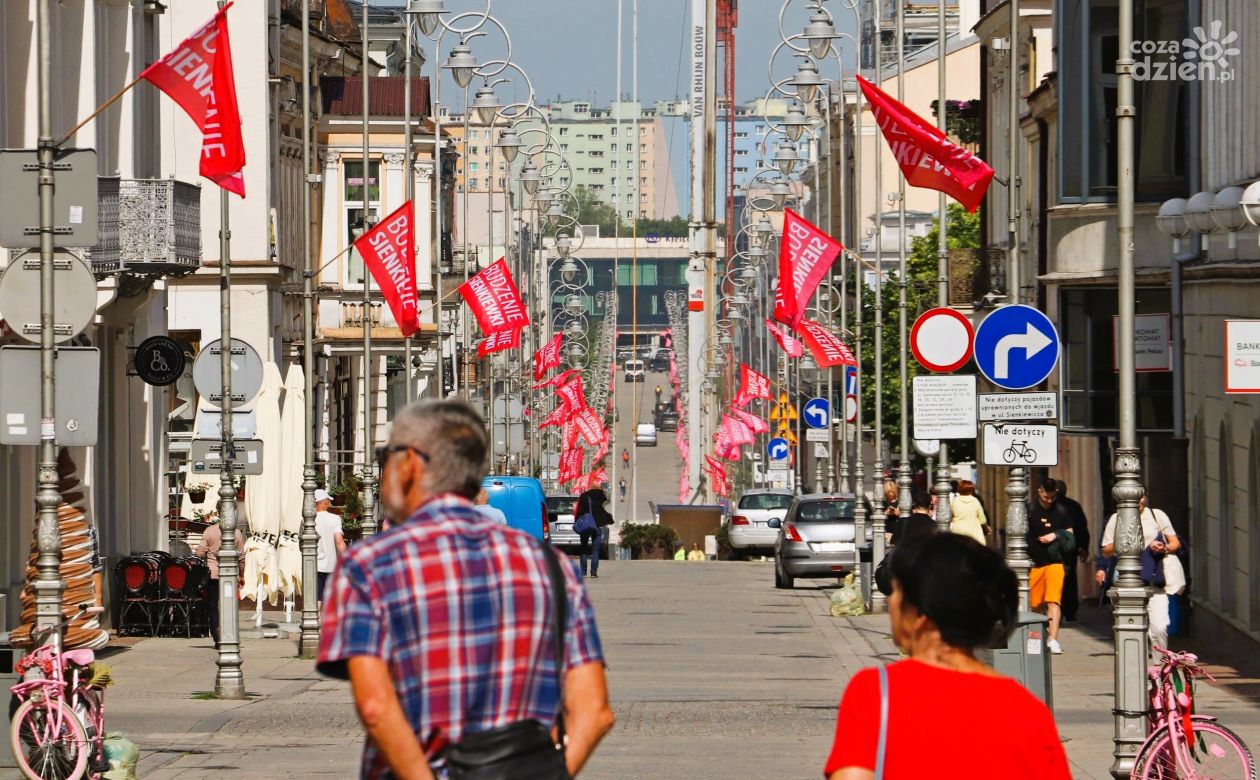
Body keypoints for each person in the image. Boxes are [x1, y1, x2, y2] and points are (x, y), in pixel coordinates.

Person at [318, 400, 614, 778]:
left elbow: (376, 706)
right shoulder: (553, 568)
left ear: (409, 462)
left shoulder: (371, 565)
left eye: (384, 456)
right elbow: (595, 711)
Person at [824, 533, 1070, 779]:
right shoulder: (1028, 712)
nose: (891, 605)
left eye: (896, 593)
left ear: (921, 613)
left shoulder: (876, 692)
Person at [1099, 493, 1185, 649]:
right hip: (1127, 582)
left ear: (1144, 498)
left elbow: (1175, 543)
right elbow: (1106, 550)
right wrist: (1123, 541)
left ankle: (1159, 669)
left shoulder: (1157, 515)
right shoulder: (1115, 518)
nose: (1138, 500)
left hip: (1154, 579)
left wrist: (1162, 547)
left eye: (1140, 496)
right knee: (1132, 629)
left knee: (1159, 627)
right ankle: (1136, 668)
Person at [1026, 478, 1074, 654]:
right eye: (1046, 497)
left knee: (1053, 601)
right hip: (1034, 563)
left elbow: (1070, 534)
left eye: (1052, 497)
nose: (1049, 500)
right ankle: (1041, 635)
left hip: (1055, 562)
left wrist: (1055, 535)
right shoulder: (1030, 510)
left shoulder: (1062, 511)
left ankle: (1053, 640)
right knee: (1036, 603)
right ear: (1039, 492)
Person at [195, 518, 244, 645]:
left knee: (213, 605)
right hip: (231, 575)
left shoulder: (209, 531)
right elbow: (242, 558)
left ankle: (217, 634)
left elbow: (200, 553)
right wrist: (242, 575)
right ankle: (229, 632)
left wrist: (202, 552)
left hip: (213, 574)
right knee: (230, 604)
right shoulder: (236, 532)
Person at [1054, 479, 1090, 622]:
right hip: (1070, 548)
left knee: (1055, 578)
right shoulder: (1073, 505)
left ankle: (1057, 609)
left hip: (1053, 548)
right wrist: (1084, 548)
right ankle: (1070, 612)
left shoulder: (1049, 505)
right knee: (1069, 579)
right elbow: (1082, 528)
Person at [314, 488, 347, 602]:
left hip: (314, 564)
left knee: (316, 598)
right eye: (328, 501)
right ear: (324, 502)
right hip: (332, 565)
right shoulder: (335, 518)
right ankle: (324, 619)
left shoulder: (307, 519)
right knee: (330, 598)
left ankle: (316, 619)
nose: (329, 503)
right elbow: (339, 541)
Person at [574, 487, 613, 578]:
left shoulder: (584, 496)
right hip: (597, 526)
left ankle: (583, 572)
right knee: (595, 551)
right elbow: (604, 508)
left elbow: (579, 511)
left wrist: (577, 522)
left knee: (583, 548)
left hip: (586, 526)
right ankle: (594, 573)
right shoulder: (601, 497)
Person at [949, 480, 989, 545]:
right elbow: (982, 520)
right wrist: (986, 528)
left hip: (958, 533)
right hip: (974, 534)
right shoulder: (975, 501)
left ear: (959, 489)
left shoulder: (955, 501)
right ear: (971, 490)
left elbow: (949, 517)